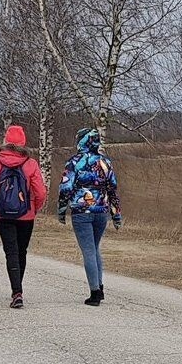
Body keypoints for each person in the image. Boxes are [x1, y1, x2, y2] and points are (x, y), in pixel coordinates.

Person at [57, 127, 122, 306]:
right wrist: (116, 215)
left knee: (88, 251)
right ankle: (99, 286)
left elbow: (66, 188)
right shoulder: (105, 162)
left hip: (81, 212)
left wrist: (62, 210)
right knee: (94, 248)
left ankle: (95, 292)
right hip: (102, 211)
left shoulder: (73, 162)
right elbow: (113, 190)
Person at [0, 125, 48, 309]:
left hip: (3, 214)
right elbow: (41, 192)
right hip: (26, 215)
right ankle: (17, 289)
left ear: (6, 141)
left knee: (10, 252)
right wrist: (34, 208)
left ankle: (16, 291)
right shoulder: (31, 164)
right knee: (22, 251)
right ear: (23, 142)